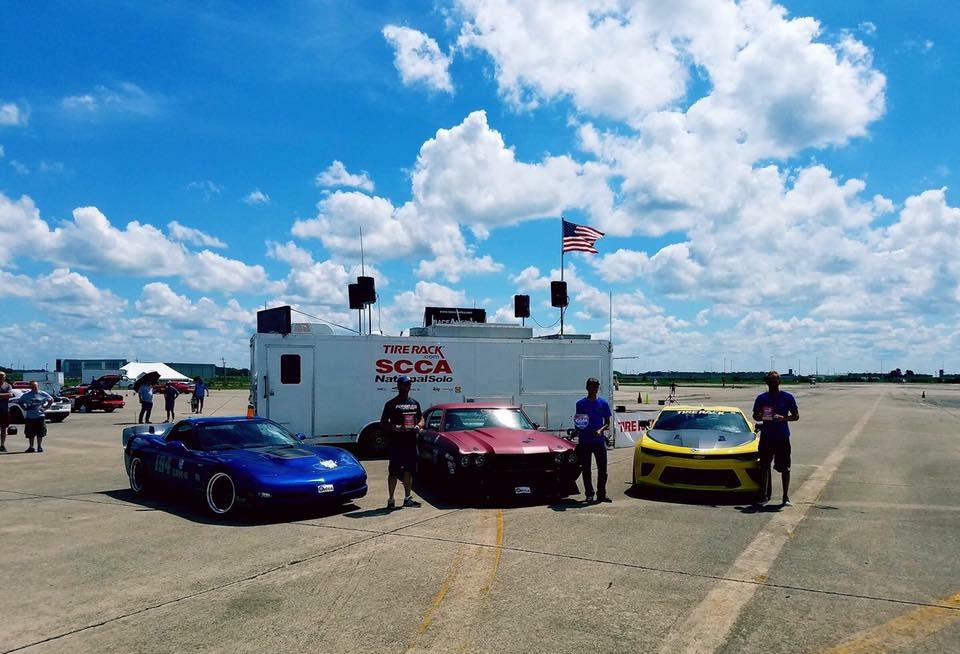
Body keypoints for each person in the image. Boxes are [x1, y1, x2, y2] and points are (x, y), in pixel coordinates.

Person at [752, 370, 800, 507]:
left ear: (780, 382)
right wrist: (761, 417)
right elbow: (755, 415)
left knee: (785, 468)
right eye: (770, 381)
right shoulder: (761, 398)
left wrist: (784, 418)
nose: (773, 383)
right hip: (767, 437)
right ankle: (763, 495)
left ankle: (785, 497)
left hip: (782, 437)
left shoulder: (788, 397)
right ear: (767, 383)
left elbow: (796, 416)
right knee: (764, 467)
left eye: (775, 381)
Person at [380, 375, 423, 509]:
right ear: (398, 386)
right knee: (393, 471)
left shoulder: (414, 403)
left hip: (410, 442)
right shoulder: (391, 404)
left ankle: (407, 498)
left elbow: (421, 418)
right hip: (396, 443)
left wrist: (419, 425)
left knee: (409, 471)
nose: (406, 387)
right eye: (404, 384)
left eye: (408, 384)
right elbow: (383, 423)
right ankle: (391, 499)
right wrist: (396, 427)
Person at [575, 377, 613, 504]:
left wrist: (601, 430)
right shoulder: (580, 404)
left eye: (596, 386)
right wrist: (579, 427)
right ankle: (589, 494)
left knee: (603, 470)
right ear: (587, 387)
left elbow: (607, 423)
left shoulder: (603, 403)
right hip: (585, 441)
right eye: (591, 386)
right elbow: (579, 422)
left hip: (598, 442)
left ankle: (601, 494)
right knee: (586, 469)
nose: (594, 389)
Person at [19, 381, 53, 453]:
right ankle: (31, 447)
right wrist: (24, 407)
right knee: (30, 433)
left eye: (35, 386)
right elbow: (20, 401)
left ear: (38, 386)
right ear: (30, 387)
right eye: (32, 386)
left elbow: (51, 400)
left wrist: (45, 408)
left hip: (40, 416)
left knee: (40, 432)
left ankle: (39, 446)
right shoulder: (26, 395)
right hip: (30, 416)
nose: (34, 388)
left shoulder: (42, 393)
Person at [0, 372, 13, 452]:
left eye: (3, 377)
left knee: (3, 429)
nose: (1, 378)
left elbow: (10, 395)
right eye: (0, 377)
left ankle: (2, 445)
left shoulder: (8, 385)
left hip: (4, 411)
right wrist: (5, 395)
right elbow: (7, 395)